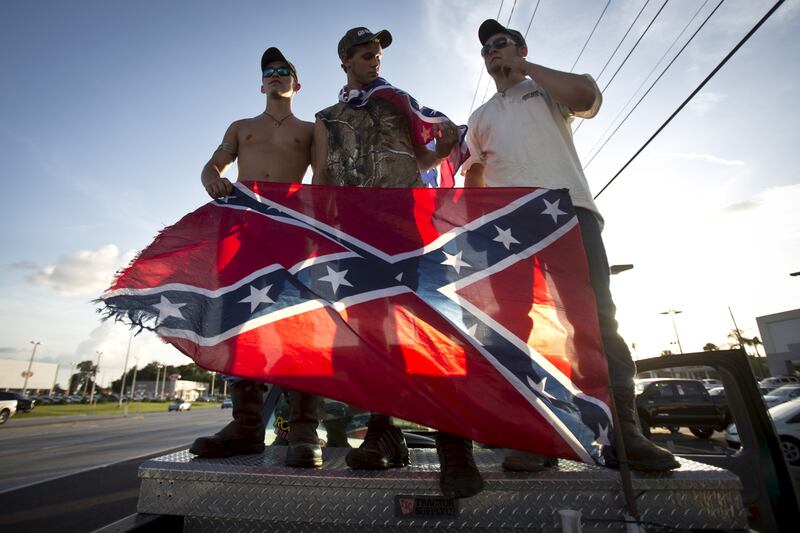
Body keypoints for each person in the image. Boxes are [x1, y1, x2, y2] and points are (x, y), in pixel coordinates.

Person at [463, 19, 679, 473]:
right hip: (510, 228)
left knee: (595, 322)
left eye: (501, 44)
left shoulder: (546, 92)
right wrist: (477, 224)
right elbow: (474, 173)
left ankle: (624, 432)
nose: (493, 53)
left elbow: (585, 96)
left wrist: (523, 65)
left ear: (521, 48)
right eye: (486, 50)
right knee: (512, 329)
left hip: (568, 212)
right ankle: (536, 434)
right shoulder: (481, 116)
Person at [312, 27, 485, 498]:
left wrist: (445, 148)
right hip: (355, 234)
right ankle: (383, 432)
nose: (375, 61)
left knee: (431, 327)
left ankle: (455, 446)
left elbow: (425, 156)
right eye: (367, 54)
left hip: (408, 229)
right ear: (346, 59)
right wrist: (319, 231)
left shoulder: (396, 100)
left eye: (378, 55)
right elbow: (323, 177)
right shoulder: (327, 118)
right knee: (371, 337)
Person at [188, 47, 326, 470]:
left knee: (298, 326)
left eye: (284, 71)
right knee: (239, 324)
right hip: (244, 230)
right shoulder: (241, 126)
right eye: (270, 72)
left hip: (291, 231)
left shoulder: (311, 128)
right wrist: (213, 178)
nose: (276, 76)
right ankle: (246, 427)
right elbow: (213, 166)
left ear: (296, 85)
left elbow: (320, 181)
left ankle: (303, 429)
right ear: (261, 84)